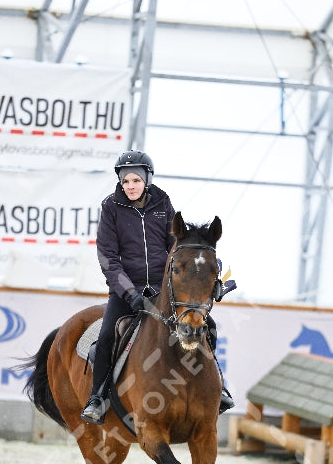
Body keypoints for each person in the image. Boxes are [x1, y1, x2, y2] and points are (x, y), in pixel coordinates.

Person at [81, 149, 234, 424]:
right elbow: (109, 259)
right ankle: (97, 397)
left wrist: (192, 280)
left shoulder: (163, 203)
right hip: (125, 291)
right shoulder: (110, 208)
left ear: (146, 180)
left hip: (164, 290)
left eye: (136, 181)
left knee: (207, 327)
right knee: (105, 339)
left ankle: (219, 388)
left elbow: (175, 249)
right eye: (126, 181)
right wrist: (130, 293)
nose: (130, 186)